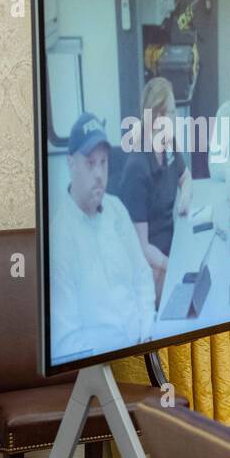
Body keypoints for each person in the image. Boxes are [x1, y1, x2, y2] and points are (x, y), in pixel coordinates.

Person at [50, 113, 157, 363]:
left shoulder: (116, 209)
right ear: (71, 164)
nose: (99, 173)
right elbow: (68, 343)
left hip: (145, 344)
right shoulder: (59, 239)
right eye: (90, 163)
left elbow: (142, 276)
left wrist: (147, 330)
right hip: (105, 368)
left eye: (104, 162)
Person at [120, 77, 191, 303]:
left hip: (172, 247)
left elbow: (186, 177)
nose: (175, 118)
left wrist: (185, 200)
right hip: (151, 266)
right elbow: (142, 247)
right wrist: (175, 267)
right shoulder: (137, 168)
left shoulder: (168, 146)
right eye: (171, 113)